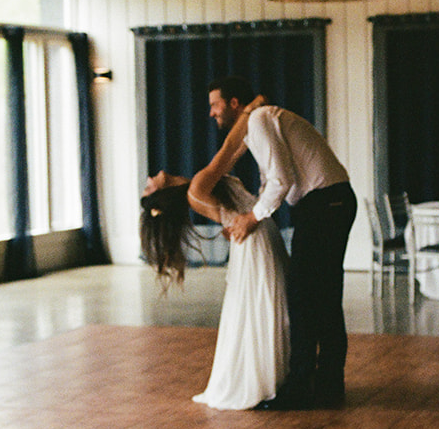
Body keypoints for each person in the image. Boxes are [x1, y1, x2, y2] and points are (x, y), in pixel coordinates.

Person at [208, 76, 356, 410]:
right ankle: (328, 386)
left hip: (324, 204)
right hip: (329, 202)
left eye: (215, 105)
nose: (211, 113)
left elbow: (281, 180)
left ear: (234, 104)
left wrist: (251, 218)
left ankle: (301, 388)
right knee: (323, 296)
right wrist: (247, 216)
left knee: (305, 297)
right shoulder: (261, 122)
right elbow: (271, 182)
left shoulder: (259, 119)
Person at [140, 97, 289, 411]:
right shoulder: (197, 188)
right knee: (260, 307)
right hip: (254, 237)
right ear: (161, 196)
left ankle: (275, 377)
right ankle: (265, 381)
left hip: (256, 233)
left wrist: (249, 125)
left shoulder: (196, 188)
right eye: (147, 187)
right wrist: (250, 111)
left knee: (264, 306)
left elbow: (235, 150)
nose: (148, 180)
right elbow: (227, 150)